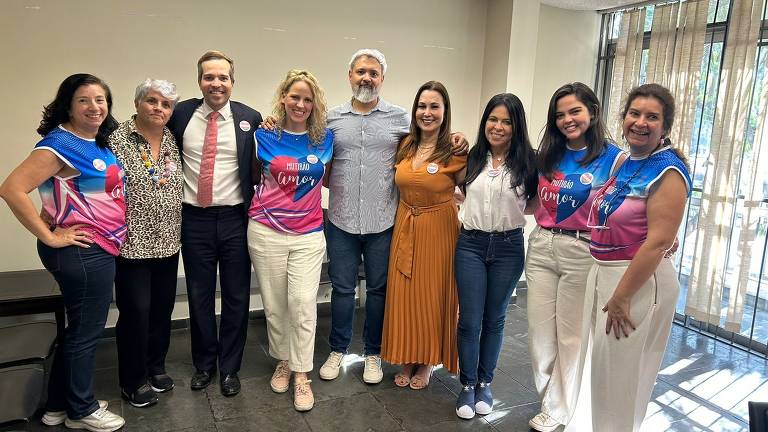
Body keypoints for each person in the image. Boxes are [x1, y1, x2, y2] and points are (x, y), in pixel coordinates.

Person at [315, 49, 467, 385]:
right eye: (360, 72)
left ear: (382, 79)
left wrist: (457, 138)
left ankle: (372, 353)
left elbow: (432, 143)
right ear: (350, 75)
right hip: (340, 220)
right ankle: (338, 350)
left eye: (373, 72)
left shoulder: (401, 120)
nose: (366, 77)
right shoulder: (331, 119)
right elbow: (310, 149)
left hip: (385, 222)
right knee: (341, 289)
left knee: (379, 290)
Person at [0, 74, 126, 431]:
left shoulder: (94, 142)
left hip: (98, 248)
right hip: (84, 252)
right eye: (84, 100)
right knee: (86, 332)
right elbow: (11, 189)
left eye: (101, 99)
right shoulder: (59, 143)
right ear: (68, 105)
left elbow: (61, 190)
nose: (94, 107)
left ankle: (58, 405)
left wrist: (51, 213)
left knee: (77, 330)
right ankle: (82, 410)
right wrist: (51, 236)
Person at [583, 83, 690, 432]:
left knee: (620, 381)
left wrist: (622, 297)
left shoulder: (667, 171)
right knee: (605, 375)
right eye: (635, 113)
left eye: (652, 117)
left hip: (636, 282)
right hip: (608, 274)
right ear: (624, 116)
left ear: (665, 126)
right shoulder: (629, 161)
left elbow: (659, 242)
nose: (640, 122)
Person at [525, 83, 623, 432]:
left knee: (571, 336)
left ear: (592, 112)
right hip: (541, 247)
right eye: (560, 114)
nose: (568, 119)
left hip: (582, 251)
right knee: (539, 334)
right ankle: (551, 399)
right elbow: (532, 199)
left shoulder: (614, 158)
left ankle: (559, 408)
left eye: (575, 111)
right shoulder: (547, 155)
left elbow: (631, 203)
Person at [167, 50, 263, 397]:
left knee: (237, 296)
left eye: (223, 77)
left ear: (232, 83)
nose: (216, 83)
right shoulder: (179, 114)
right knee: (199, 295)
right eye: (210, 77)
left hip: (236, 218)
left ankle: (230, 368)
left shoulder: (250, 118)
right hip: (195, 220)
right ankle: (205, 363)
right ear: (199, 81)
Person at [247, 69, 333, 412]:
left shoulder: (324, 139)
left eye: (307, 99)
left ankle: (301, 374)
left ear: (315, 104)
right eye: (295, 97)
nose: (300, 104)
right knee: (275, 307)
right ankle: (283, 360)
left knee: (301, 304)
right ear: (283, 98)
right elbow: (250, 175)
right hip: (265, 230)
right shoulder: (263, 135)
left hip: (309, 234)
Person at [453, 93, 537, 419]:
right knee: (470, 320)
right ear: (484, 121)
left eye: (506, 121)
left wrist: (512, 215)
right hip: (470, 245)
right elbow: (453, 187)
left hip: (508, 247)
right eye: (492, 119)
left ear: (516, 127)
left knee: (495, 319)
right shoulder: (472, 157)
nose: (498, 127)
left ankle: (485, 383)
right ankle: (466, 385)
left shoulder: (529, 160)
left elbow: (534, 202)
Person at [380, 81, 467, 389]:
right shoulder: (404, 144)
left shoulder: (455, 150)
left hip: (439, 229)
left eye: (434, 106)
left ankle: (428, 361)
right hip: (405, 224)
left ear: (445, 112)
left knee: (432, 297)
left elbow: (472, 190)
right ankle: (406, 356)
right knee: (403, 295)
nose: (426, 113)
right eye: (422, 106)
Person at [108, 79, 182, 407]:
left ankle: (155, 367)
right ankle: (132, 380)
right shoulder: (116, 139)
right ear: (138, 102)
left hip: (169, 240)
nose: (158, 109)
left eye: (166, 105)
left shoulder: (171, 138)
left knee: (161, 310)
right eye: (152, 101)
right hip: (131, 242)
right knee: (136, 311)